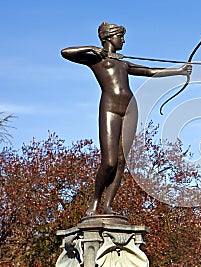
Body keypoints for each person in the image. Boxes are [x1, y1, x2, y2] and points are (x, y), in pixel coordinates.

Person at [61, 22, 192, 216]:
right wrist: (91, 48)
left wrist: (179, 71)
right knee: (110, 161)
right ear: (109, 38)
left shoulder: (123, 63)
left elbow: (150, 71)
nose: (123, 40)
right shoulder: (95, 59)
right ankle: (95, 202)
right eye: (120, 36)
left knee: (122, 161)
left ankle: (108, 206)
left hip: (130, 108)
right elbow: (65, 52)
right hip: (110, 108)